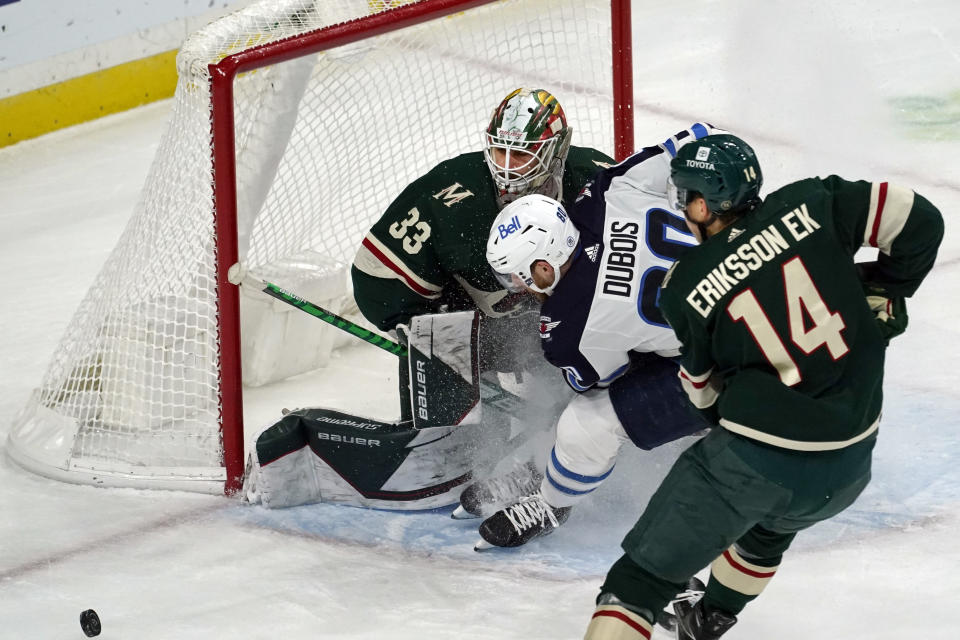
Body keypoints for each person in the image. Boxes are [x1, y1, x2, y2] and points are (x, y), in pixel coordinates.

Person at [583, 134, 944, 640]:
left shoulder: (684, 288)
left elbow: (702, 395)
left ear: (704, 203)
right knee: (769, 528)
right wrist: (885, 287)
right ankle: (709, 619)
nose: (684, 210)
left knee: (637, 583)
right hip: (848, 468)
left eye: (686, 198)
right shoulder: (813, 204)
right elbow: (918, 219)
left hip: (755, 464)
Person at [471, 124, 722, 550]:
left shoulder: (567, 328)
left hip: (745, 370)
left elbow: (600, 381)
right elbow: (700, 138)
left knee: (588, 420)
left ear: (544, 267)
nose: (519, 287)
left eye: (519, 276)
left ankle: (551, 500)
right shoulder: (608, 189)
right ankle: (542, 464)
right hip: (772, 287)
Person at [351, 87, 614, 421]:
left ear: (556, 150)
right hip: (486, 330)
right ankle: (445, 452)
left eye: (521, 155)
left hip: (566, 325)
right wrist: (415, 330)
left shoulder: (598, 181)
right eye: (499, 150)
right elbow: (377, 271)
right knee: (438, 338)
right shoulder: (451, 192)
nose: (505, 168)